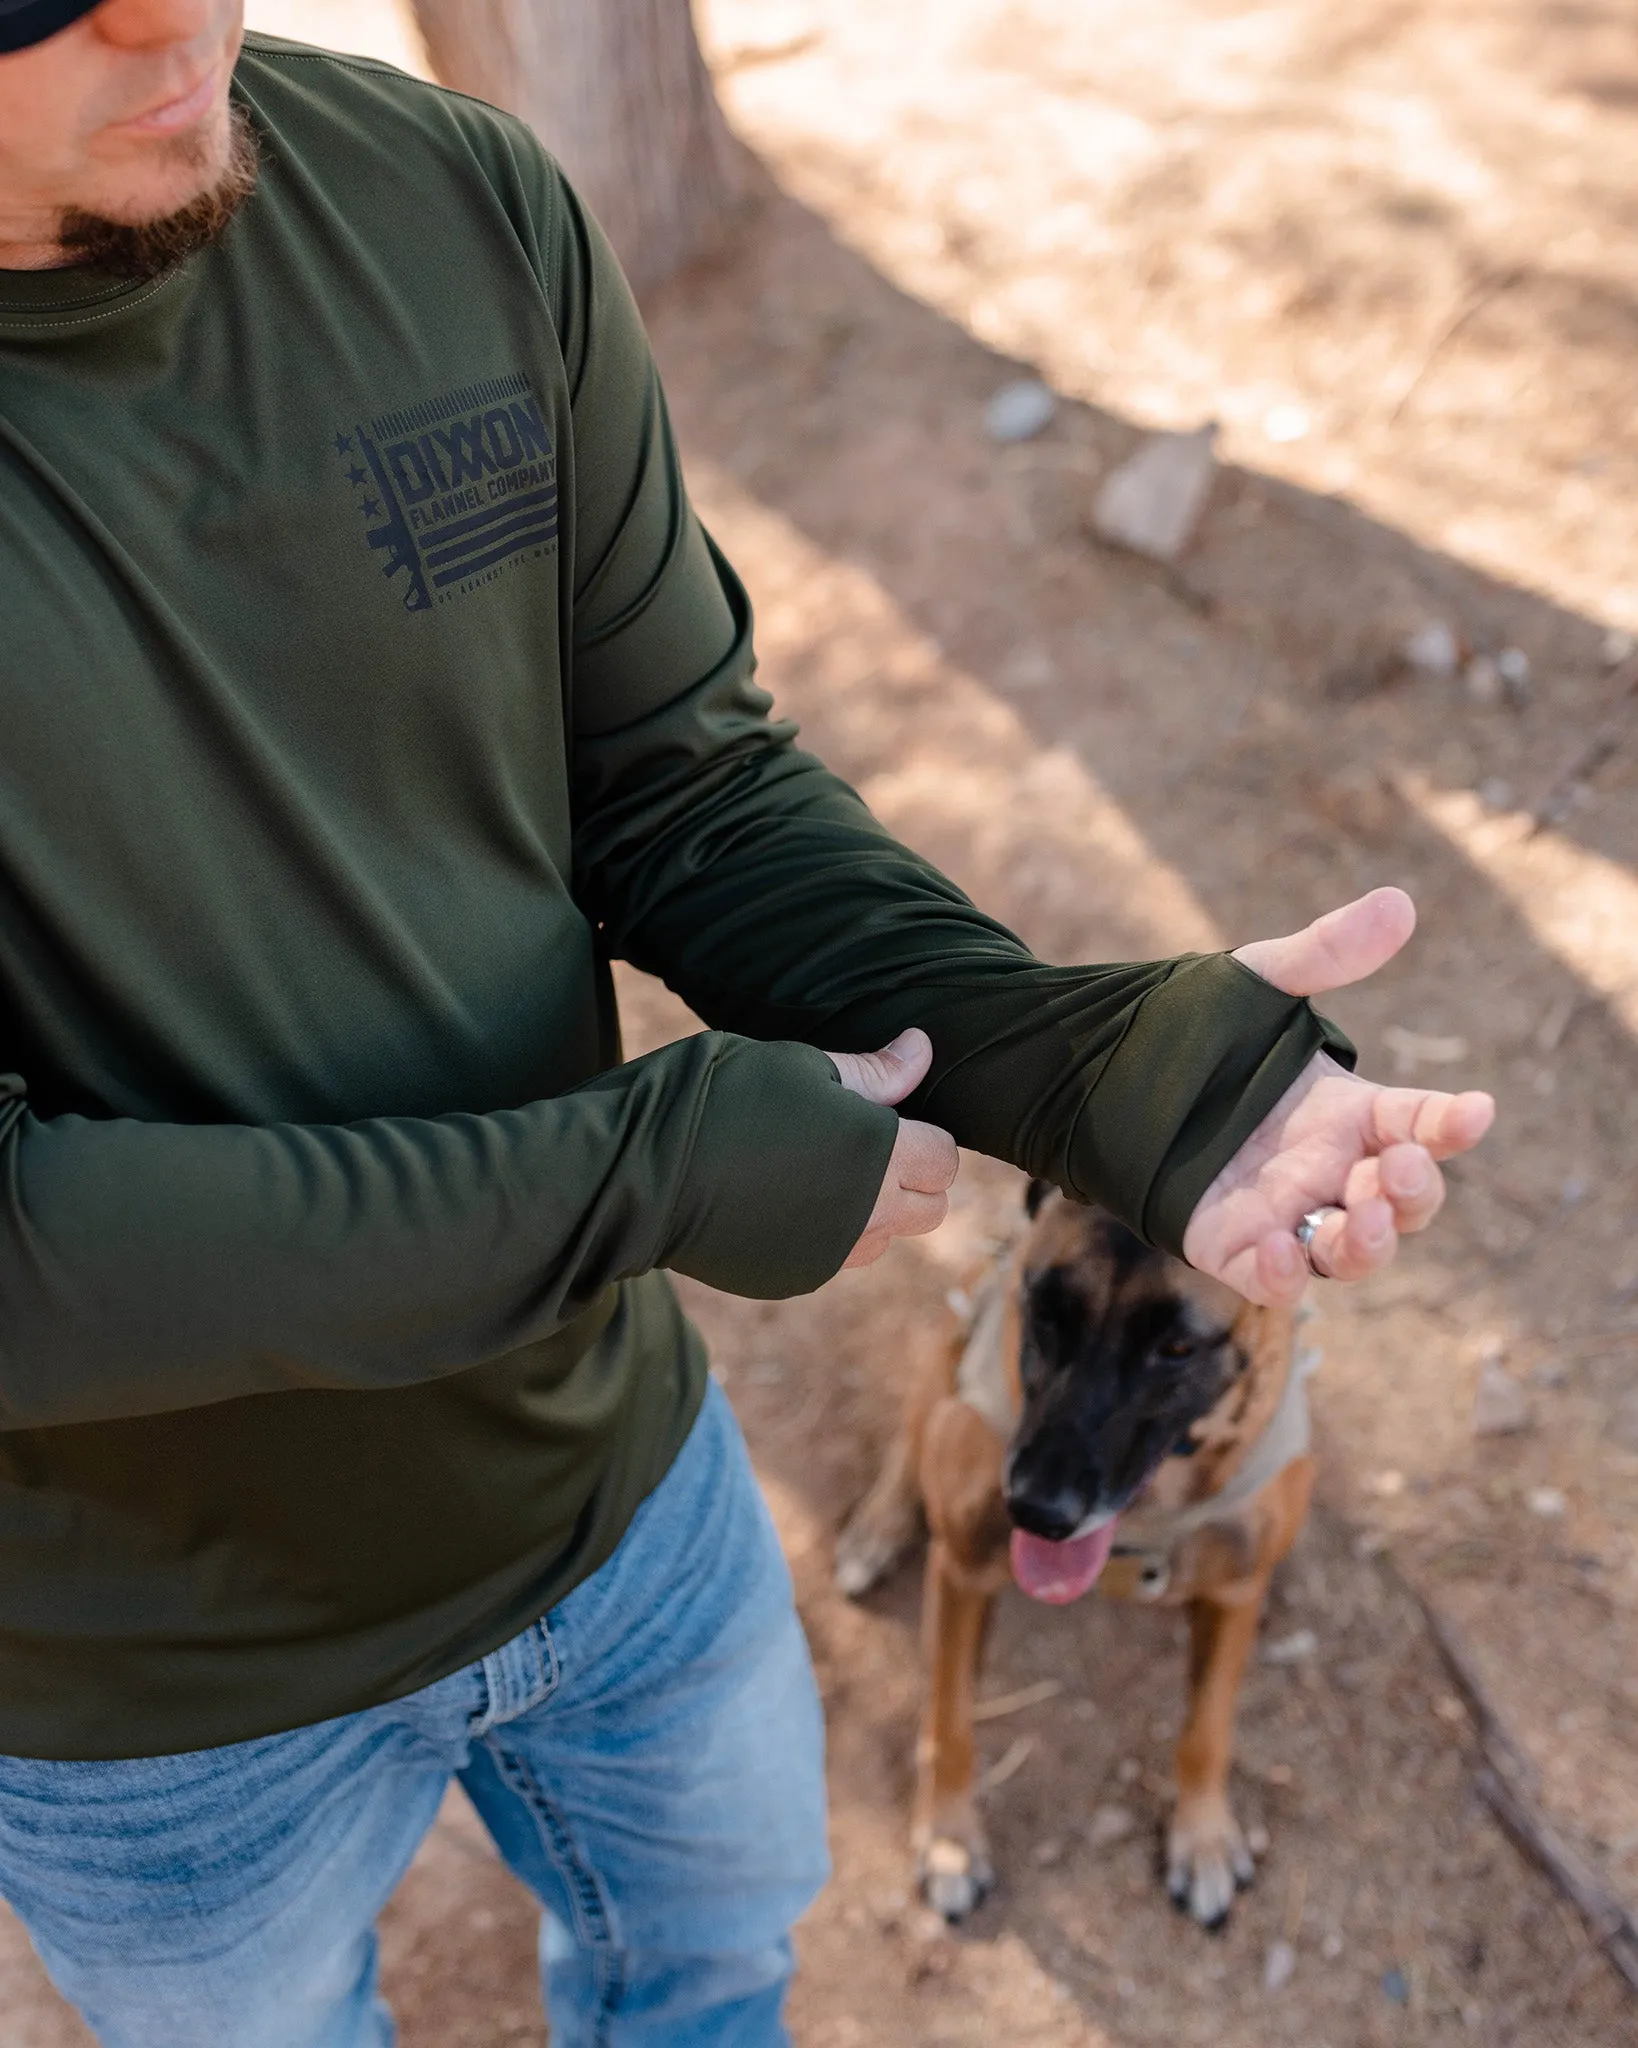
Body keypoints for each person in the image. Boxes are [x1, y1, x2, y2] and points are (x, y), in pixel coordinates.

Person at [0, 2, 1494, 2042]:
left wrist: (1084, 1064)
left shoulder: (451, 197)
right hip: (148, 1708)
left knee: (709, 1979)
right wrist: (641, 1175)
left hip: (621, 1502)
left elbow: (676, 788)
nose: (170, 8)